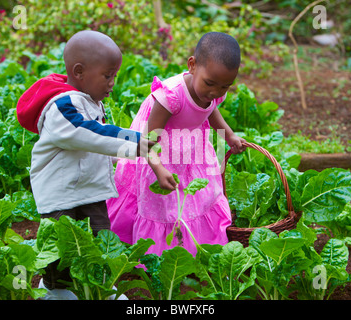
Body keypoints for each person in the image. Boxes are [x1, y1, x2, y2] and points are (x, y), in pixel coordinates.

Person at [16, 30, 154, 300]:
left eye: (114, 76)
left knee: (100, 237)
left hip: (89, 187)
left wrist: (123, 155)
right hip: (60, 192)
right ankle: (55, 289)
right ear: (79, 72)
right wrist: (134, 141)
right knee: (60, 244)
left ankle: (102, 286)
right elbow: (85, 132)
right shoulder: (61, 106)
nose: (112, 83)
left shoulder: (90, 100)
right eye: (108, 76)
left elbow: (95, 144)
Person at [107, 32, 247, 257]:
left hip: (190, 145)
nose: (215, 92)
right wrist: (158, 168)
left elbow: (211, 110)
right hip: (158, 146)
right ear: (192, 65)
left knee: (199, 195)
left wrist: (228, 135)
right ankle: (160, 254)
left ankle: (195, 245)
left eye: (224, 87)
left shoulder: (215, 90)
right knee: (162, 202)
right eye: (210, 84)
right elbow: (148, 142)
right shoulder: (170, 97)